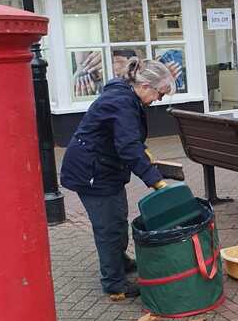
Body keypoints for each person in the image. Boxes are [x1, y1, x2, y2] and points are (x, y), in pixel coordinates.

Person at [60, 58, 175, 301]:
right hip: (92, 172)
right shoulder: (121, 102)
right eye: (159, 94)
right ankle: (115, 284)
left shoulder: (126, 96)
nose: (158, 100)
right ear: (145, 86)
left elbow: (126, 136)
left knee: (118, 218)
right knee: (108, 228)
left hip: (104, 168)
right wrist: (156, 181)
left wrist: (142, 150)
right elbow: (127, 146)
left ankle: (119, 261)